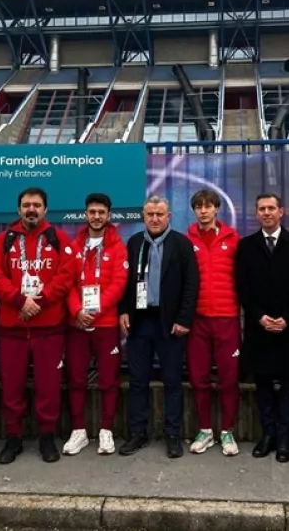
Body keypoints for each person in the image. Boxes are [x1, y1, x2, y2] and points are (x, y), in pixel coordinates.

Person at [0, 187, 75, 464]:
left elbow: (66, 275)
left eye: (36, 205)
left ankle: (47, 437)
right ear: (19, 209)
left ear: (45, 210)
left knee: (48, 386)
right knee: (12, 386)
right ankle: (13, 438)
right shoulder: (4, 239)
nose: (31, 210)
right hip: (13, 327)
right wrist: (19, 300)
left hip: (49, 326)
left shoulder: (58, 238)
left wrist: (42, 300)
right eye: (26, 205)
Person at [118, 195, 199, 459]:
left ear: (168, 217)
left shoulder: (181, 244)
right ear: (144, 216)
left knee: (172, 381)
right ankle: (137, 432)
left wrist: (184, 319)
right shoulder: (134, 243)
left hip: (170, 323)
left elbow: (191, 285)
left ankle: (173, 434)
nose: (154, 219)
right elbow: (124, 281)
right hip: (140, 322)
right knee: (138, 381)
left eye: (159, 214)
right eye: (150, 214)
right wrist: (123, 310)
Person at [235, 193, 289, 463]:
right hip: (259, 328)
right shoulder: (246, 246)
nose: (266, 213)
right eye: (261, 209)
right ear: (256, 214)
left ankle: (284, 438)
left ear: (281, 212)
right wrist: (259, 317)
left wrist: (287, 318)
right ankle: (268, 434)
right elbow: (242, 287)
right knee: (263, 384)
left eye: (271, 208)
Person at [62, 193, 128, 457]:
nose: (97, 216)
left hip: (106, 324)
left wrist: (96, 309)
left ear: (109, 215)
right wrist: (77, 310)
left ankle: (106, 430)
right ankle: (78, 431)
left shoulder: (118, 246)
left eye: (101, 212)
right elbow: (66, 282)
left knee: (108, 379)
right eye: (92, 212)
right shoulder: (73, 246)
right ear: (85, 214)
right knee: (76, 378)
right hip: (77, 324)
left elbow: (119, 284)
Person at [185, 189, 241, 457]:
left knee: (229, 378)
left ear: (217, 209)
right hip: (197, 320)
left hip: (227, 318)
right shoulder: (187, 240)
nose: (203, 211)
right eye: (199, 207)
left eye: (208, 206)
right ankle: (205, 430)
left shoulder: (233, 239)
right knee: (199, 378)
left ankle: (227, 430)